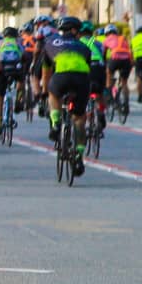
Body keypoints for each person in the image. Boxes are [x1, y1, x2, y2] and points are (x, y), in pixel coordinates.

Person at [42, 16, 92, 177]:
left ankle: (56, 123)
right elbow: (88, 67)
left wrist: (45, 90)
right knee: (79, 119)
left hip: (61, 77)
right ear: (75, 31)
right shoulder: (84, 46)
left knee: (54, 94)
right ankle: (78, 156)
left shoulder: (50, 43)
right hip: (81, 79)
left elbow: (46, 72)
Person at [0, 27, 26, 128]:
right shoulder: (18, 43)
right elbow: (24, 57)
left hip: (2, 69)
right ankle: (19, 100)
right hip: (16, 68)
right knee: (21, 81)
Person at [103, 24, 132, 108]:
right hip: (126, 60)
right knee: (124, 82)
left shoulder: (107, 39)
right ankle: (126, 102)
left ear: (106, 33)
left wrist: (104, 63)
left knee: (109, 73)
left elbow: (103, 54)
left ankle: (109, 94)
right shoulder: (123, 38)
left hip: (115, 58)